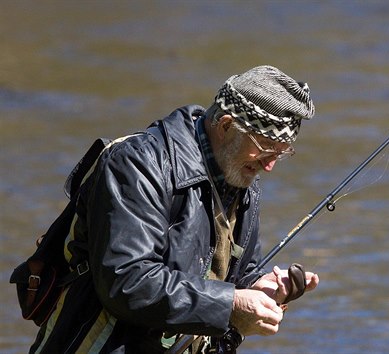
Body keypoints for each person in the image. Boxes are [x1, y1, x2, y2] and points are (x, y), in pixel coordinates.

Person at [30, 65, 320, 353]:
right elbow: (128, 281)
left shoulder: (242, 173)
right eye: (266, 148)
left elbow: (235, 273)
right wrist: (230, 304)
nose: (268, 166)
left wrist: (260, 287)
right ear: (227, 125)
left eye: (280, 154)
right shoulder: (137, 164)